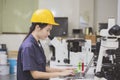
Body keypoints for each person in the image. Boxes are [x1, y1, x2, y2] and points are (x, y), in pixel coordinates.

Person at [17, 9, 75, 80]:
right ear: (38, 27)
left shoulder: (37, 43)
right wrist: (60, 74)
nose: (49, 33)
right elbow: (35, 74)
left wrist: (62, 70)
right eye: (47, 30)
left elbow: (42, 68)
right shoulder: (28, 46)